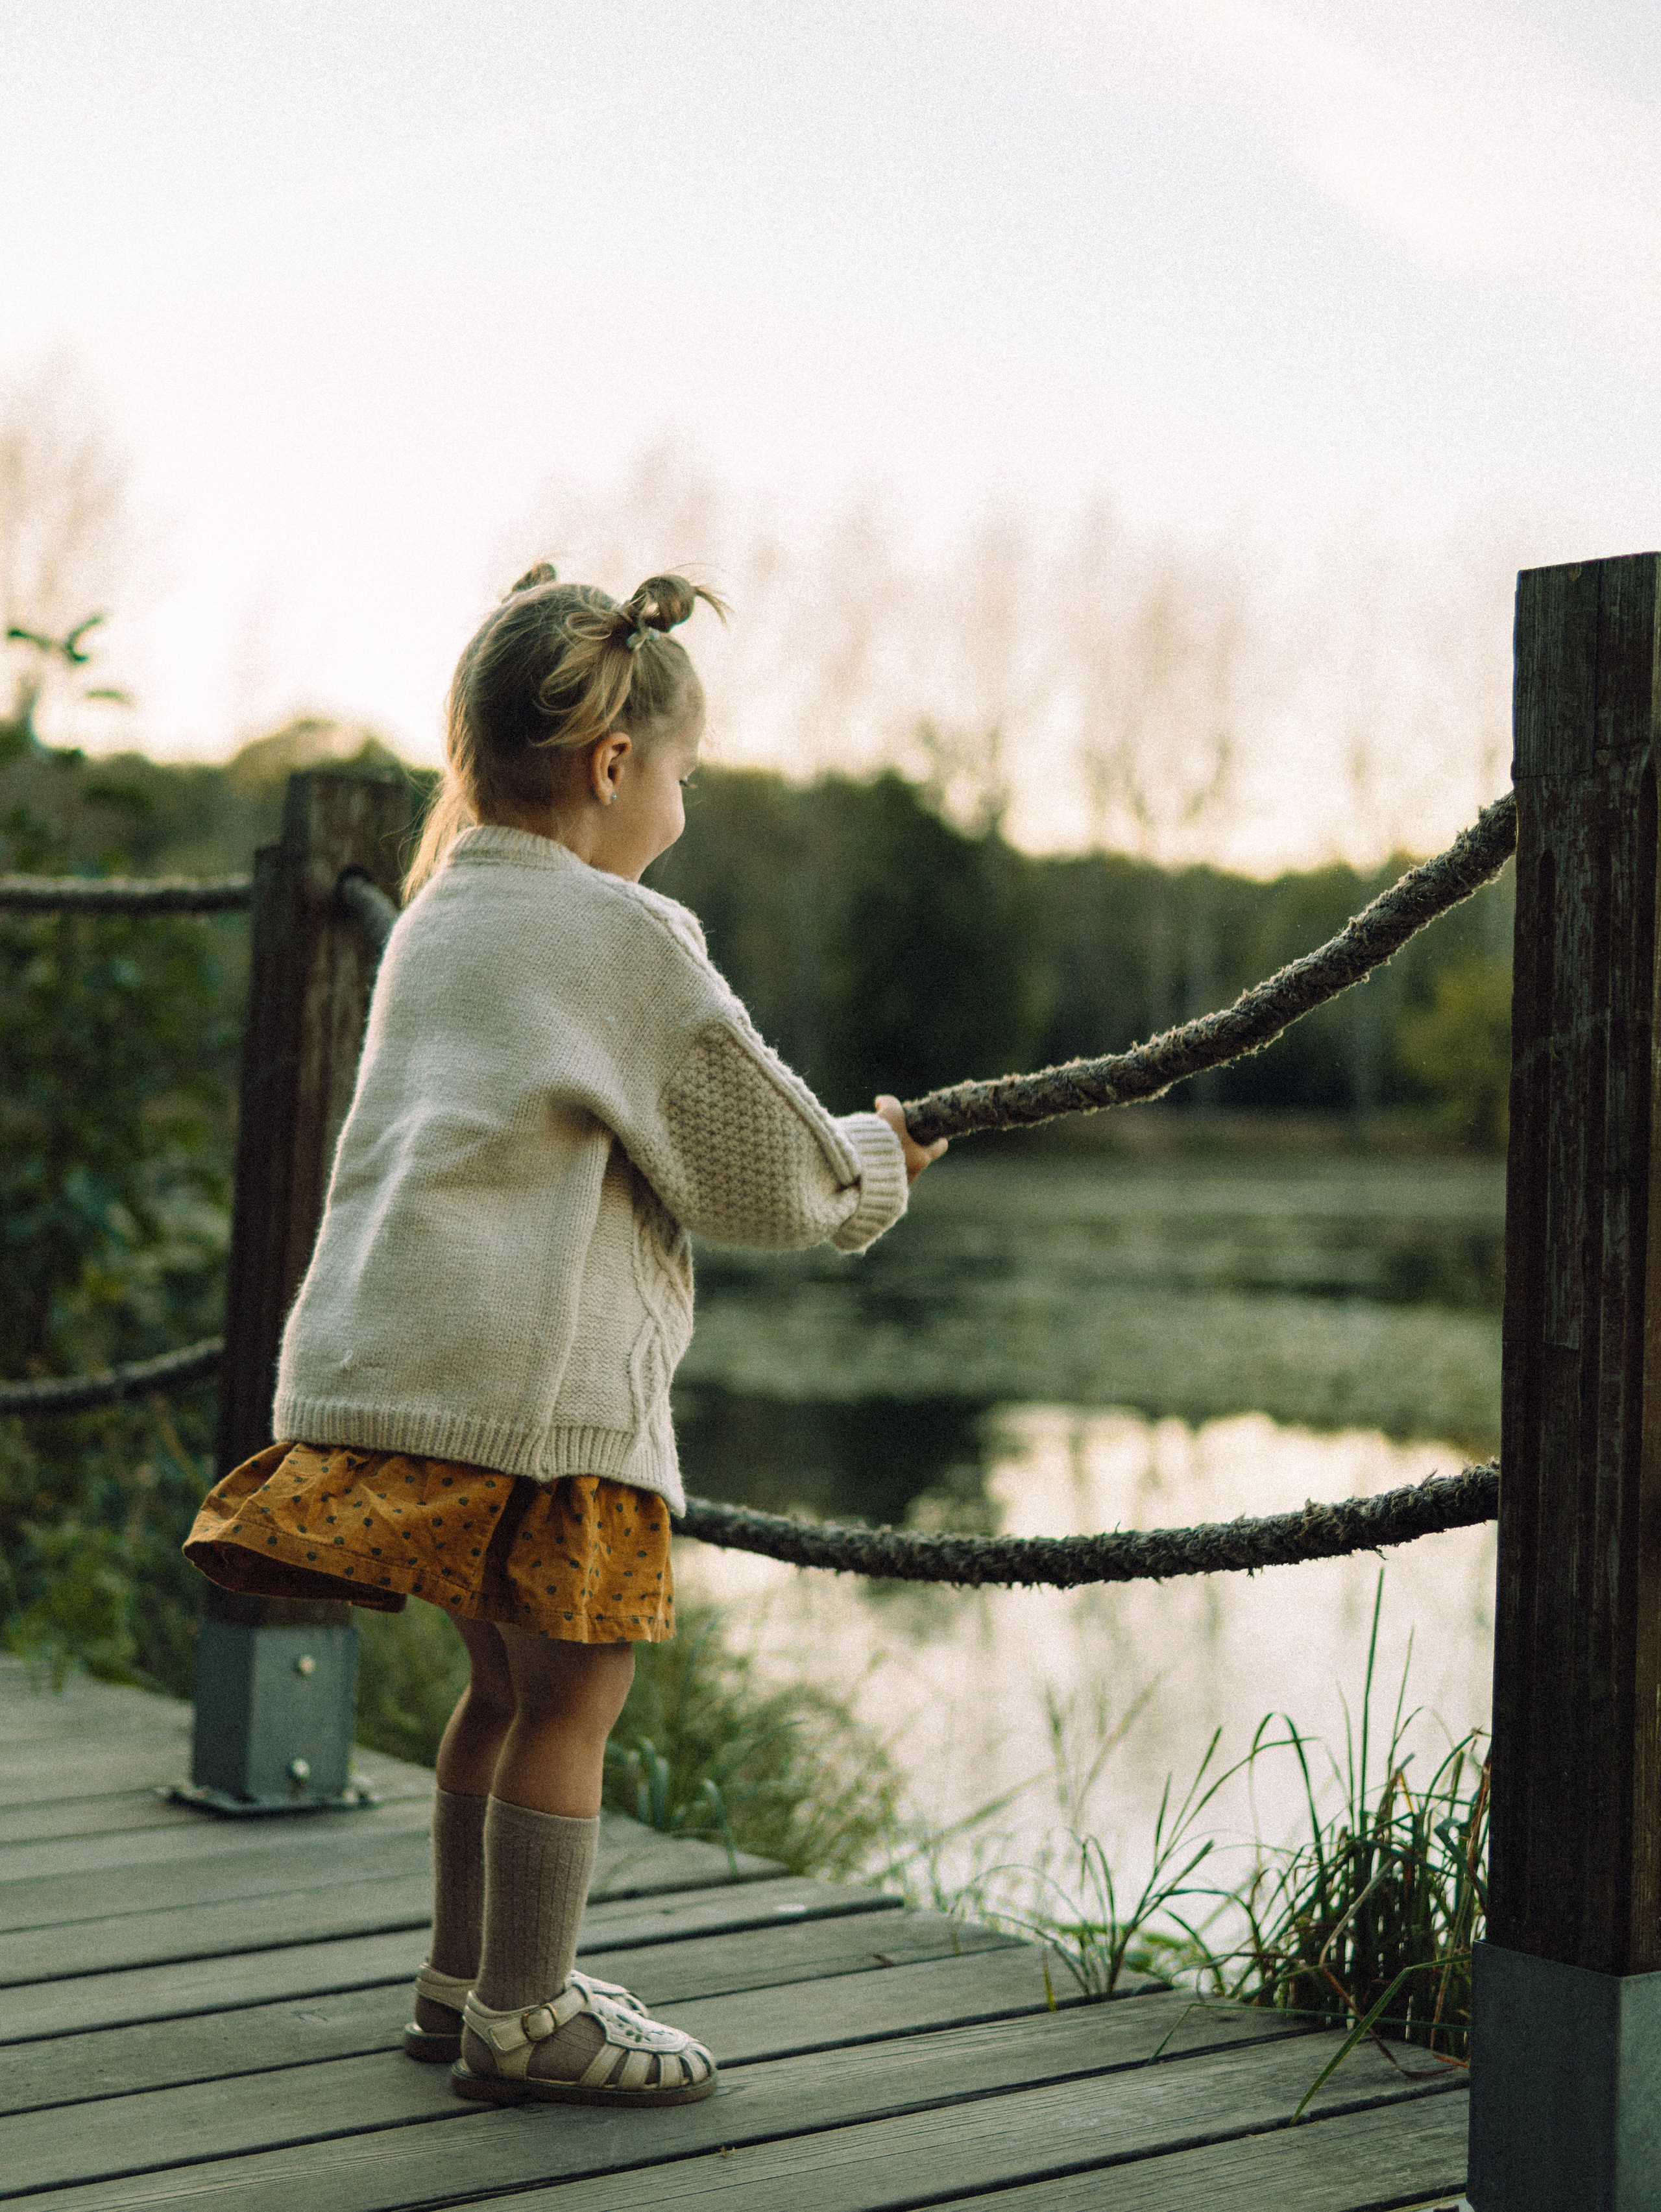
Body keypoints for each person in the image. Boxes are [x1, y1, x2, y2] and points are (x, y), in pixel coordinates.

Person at [184, 566, 946, 2108]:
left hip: (403, 1377)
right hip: (538, 1405)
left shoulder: (439, 911)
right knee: (576, 1698)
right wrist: (874, 1161)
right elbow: (754, 1164)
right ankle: (528, 2016)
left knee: (499, 1689)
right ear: (611, 765)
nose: (683, 798)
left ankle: (460, 1977)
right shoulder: (619, 934)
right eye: (683, 769)